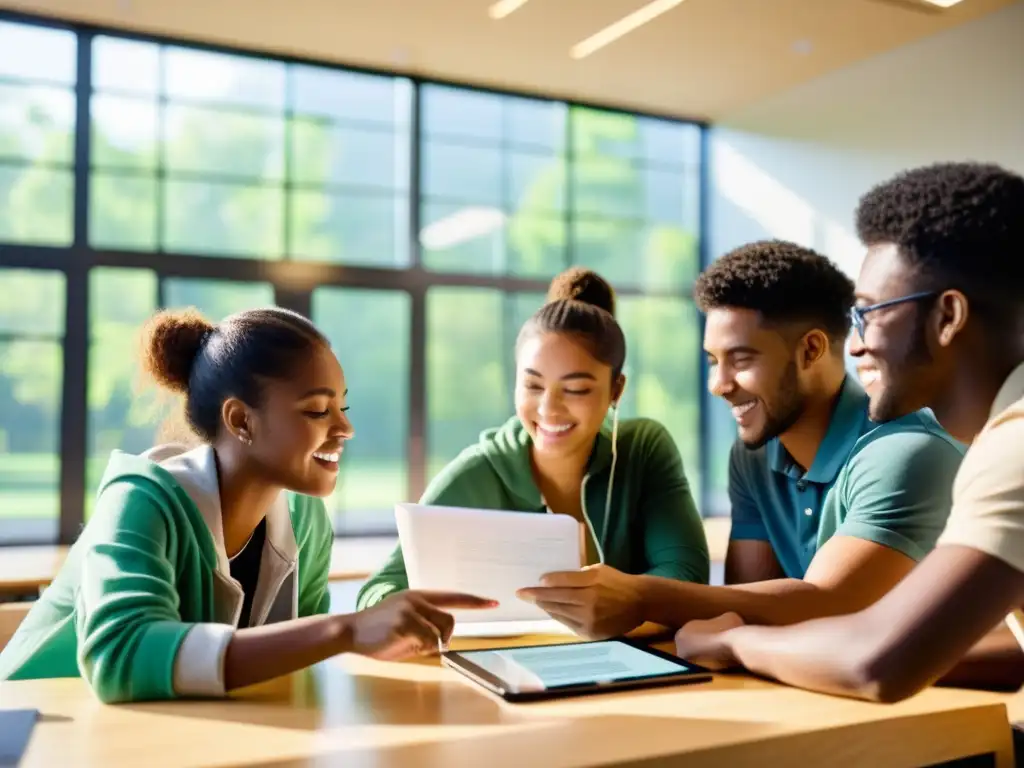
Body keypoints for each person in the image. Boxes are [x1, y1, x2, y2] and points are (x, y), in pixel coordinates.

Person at [0, 307, 493, 703]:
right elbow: (122, 657)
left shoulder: (305, 518)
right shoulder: (140, 500)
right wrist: (345, 628)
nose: (344, 429)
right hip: (37, 734)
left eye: (342, 406)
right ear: (240, 420)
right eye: (318, 410)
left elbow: (298, 657)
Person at [673, 161, 1024, 702]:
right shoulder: (997, 440)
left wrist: (738, 642)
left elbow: (878, 660)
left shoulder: (1014, 449)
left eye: (869, 315)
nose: (854, 346)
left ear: (948, 316)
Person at [517, 241, 964, 639]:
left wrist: (640, 594)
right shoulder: (755, 453)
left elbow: (830, 602)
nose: (718, 383)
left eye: (740, 359)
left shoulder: (904, 453)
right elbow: (740, 606)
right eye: (713, 360)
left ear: (810, 350)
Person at [357, 268, 710, 615]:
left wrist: (615, 597)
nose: (548, 408)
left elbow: (688, 578)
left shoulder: (643, 449)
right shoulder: (479, 471)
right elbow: (377, 592)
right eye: (533, 385)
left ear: (616, 390)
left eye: (575, 389)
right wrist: (408, 612)